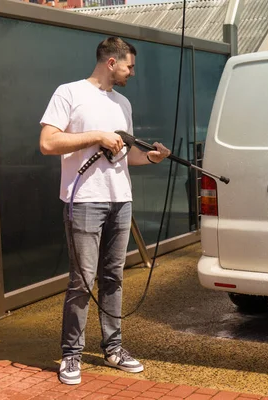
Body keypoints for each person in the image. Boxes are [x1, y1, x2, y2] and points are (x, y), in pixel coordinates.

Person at [39, 36, 170, 385]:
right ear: (111, 62)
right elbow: (48, 142)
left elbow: (125, 157)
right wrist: (96, 135)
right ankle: (71, 355)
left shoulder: (123, 103)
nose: (131, 73)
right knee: (82, 280)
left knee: (113, 278)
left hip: (120, 200)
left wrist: (150, 157)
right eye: (129, 66)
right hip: (83, 200)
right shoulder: (69, 93)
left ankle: (113, 348)